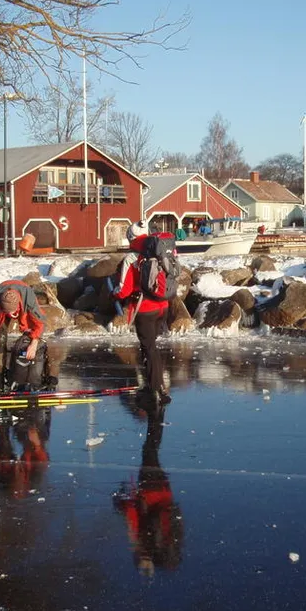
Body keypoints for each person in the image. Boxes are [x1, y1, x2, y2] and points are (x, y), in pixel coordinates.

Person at [113, 392, 182, 575]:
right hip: (151, 492)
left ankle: (157, 418)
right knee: (149, 451)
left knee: (151, 452)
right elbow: (134, 519)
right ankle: (156, 417)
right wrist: (123, 503)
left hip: (163, 490)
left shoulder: (164, 536)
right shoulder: (152, 538)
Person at [113, 221, 171, 402]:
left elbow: (124, 290)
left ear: (130, 237)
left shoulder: (131, 258)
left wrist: (113, 293)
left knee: (149, 348)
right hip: (163, 306)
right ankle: (157, 385)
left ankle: (154, 390)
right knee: (152, 347)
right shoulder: (160, 251)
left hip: (145, 309)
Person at [0, 280, 46, 392]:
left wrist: (34, 343)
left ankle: (26, 378)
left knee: (29, 339)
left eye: (11, 313)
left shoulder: (29, 298)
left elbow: (40, 322)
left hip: (23, 307)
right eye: (7, 312)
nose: (10, 315)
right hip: (0, 312)